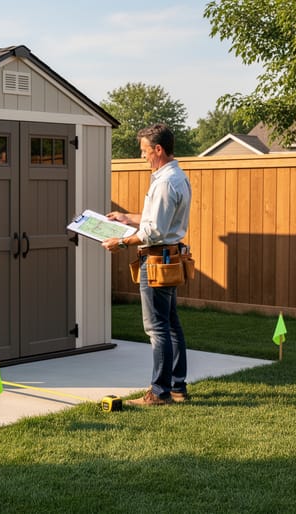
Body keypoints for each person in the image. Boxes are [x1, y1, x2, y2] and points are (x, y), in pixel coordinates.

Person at [102, 124, 192, 406]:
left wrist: (121, 242)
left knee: (157, 328)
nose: (142, 156)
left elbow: (153, 231)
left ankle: (159, 392)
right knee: (171, 325)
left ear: (158, 150)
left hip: (156, 260)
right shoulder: (174, 176)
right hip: (168, 257)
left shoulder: (165, 182)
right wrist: (126, 217)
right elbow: (156, 218)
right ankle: (177, 387)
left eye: (144, 151)